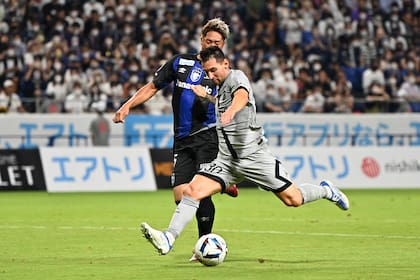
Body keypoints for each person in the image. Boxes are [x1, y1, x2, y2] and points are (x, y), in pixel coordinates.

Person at [140, 46, 350, 256]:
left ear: (225, 64)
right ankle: (168, 237)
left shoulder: (236, 78)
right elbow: (223, 102)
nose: (210, 76)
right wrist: (208, 97)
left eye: (213, 70)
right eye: (207, 72)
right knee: (192, 191)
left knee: (293, 199)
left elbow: (241, 95)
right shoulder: (219, 88)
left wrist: (232, 111)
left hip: (254, 158)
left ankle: (326, 190)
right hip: (225, 161)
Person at [112, 18, 239, 261]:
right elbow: (152, 87)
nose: (212, 44)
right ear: (201, 40)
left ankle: (203, 243)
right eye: (209, 41)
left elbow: (233, 105)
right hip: (182, 139)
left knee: (199, 192)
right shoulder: (181, 62)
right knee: (181, 195)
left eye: (218, 42)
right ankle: (223, 183)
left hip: (207, 136)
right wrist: (127, 105)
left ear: (223, 45)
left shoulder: (223, 72)